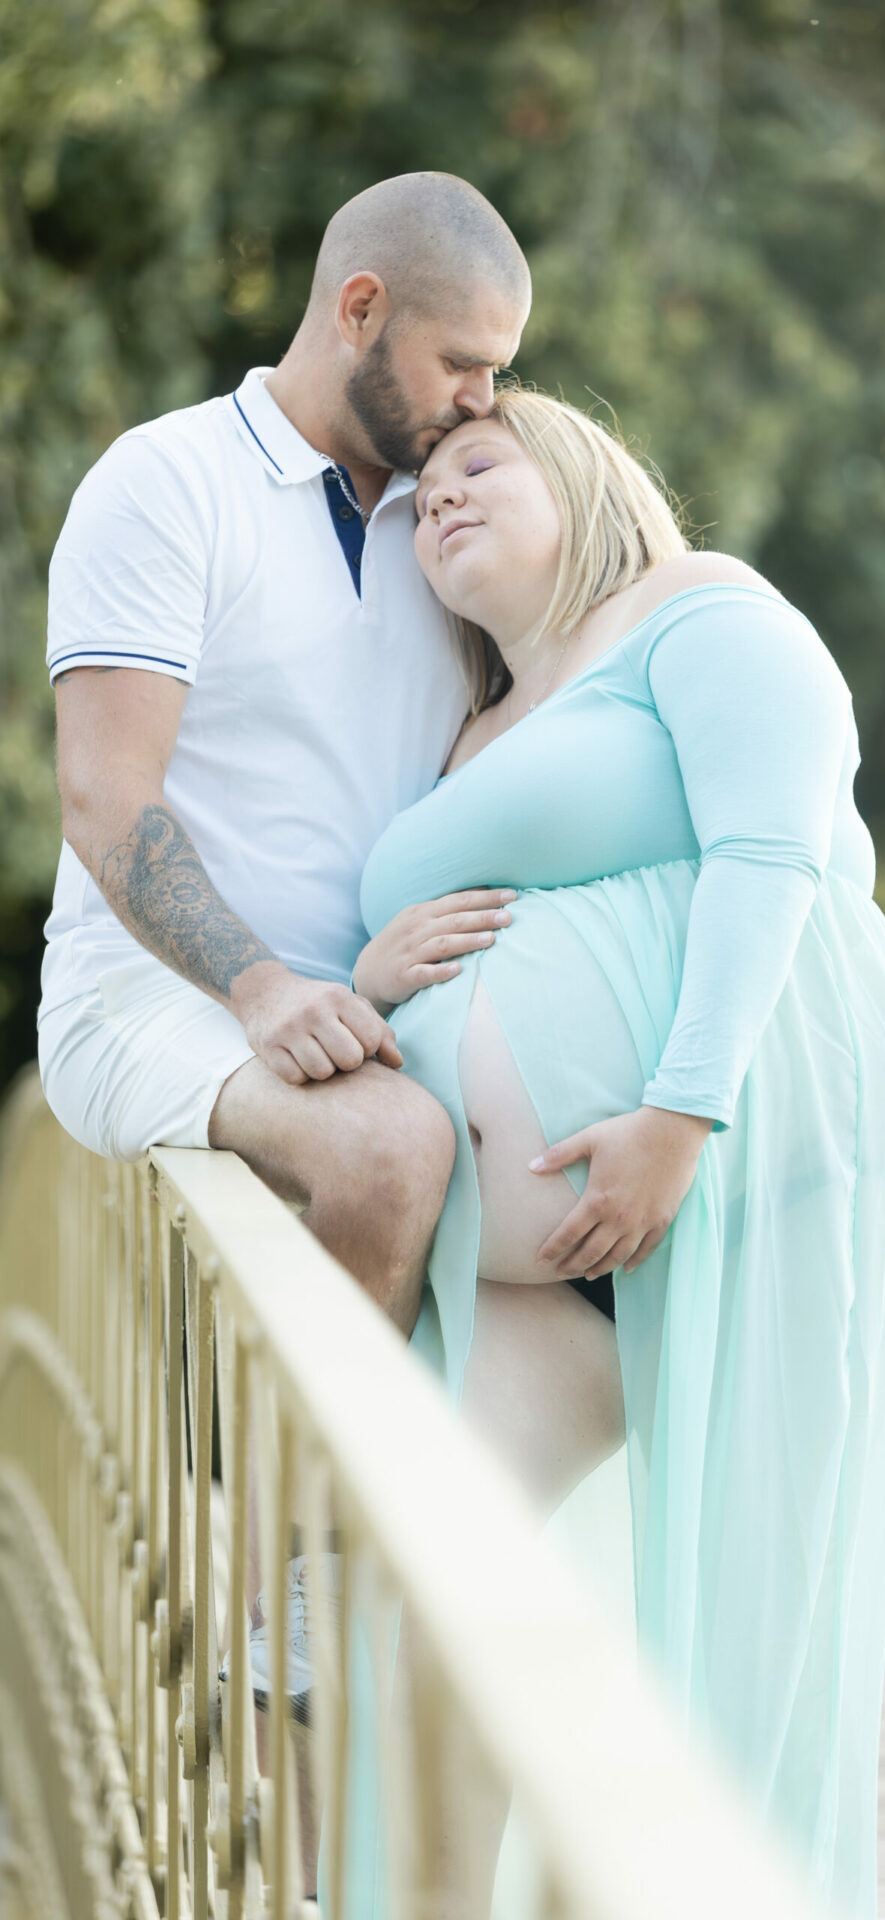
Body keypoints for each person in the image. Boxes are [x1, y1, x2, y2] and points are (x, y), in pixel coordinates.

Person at [351, 388, 885, 1915]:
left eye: (481, 463)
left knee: (750, 1646)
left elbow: (774, 854)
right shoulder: (469, 730)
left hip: (756, 1163)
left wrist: (682, 1120)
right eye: (423, 498)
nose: (444, 499)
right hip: (548, 1268)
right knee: (427, 1610)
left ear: (587, 478)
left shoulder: (694, 610)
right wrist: (369, 982)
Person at [35, 176, 638, 1709]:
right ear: (359, 308)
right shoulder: (162, 483)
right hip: (158, 996)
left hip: (380, 1000)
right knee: (387, 1156)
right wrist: (259, 984)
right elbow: (109, 800)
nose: (482, 402)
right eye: (464, 364)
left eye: (499, 374)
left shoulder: (445, 521)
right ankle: (281, 1588)